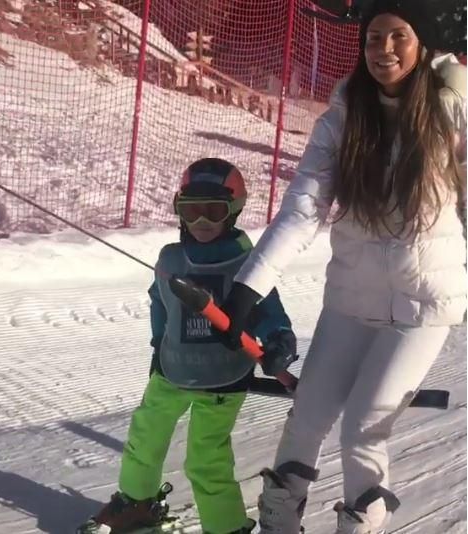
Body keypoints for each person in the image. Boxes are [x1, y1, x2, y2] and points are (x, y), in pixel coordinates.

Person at [217, 1, 467, 533]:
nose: (384, 49)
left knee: (362, 429)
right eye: (374, 37)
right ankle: (279, 524)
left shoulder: (452, 110)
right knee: (305, 418)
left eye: (398, 36)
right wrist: (248, 287)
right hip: (351, 301)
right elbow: (303, 210)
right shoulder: (344, 116)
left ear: (421, 43)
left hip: (423, 306)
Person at [77, 158, 297, 534]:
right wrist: (157, 345)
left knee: (205, 457)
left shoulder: (247, 264)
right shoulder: (171, 258)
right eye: (192, 211)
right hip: (172, 370)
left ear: (234, 211)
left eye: (214, 211)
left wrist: (279, 340)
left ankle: (226, 527)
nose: (202, 222)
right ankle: (138, 503)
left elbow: (267, 309)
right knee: (145, 435)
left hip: (223, 379)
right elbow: (159, 301)